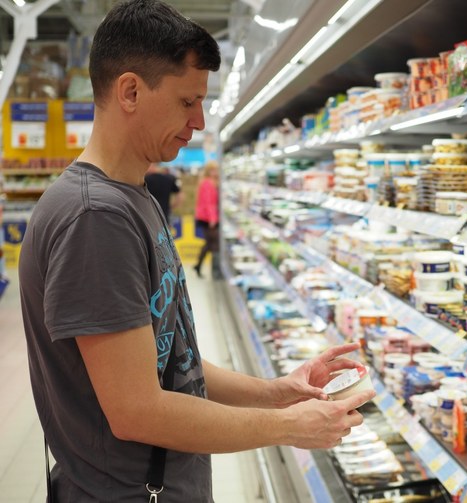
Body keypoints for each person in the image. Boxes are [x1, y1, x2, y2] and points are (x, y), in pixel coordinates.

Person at [18, 1, 374, 502]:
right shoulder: (95, 218)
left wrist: (278, 394)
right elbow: (137, 410)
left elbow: (170, 363)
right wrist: (290, 427)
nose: (201, 122)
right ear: (130, 91)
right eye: (188, 101)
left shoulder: (133, 197)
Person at [193, 161, 220, 278]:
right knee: (214, 244)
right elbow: (209, 203)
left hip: (207, 216)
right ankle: (215, 271)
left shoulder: (210, 182)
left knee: (209, 243)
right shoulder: (208, 183)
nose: (215, 172)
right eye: (212, 170)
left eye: (216, 170)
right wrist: (212, 219)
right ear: (208, 171)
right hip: (207, 218)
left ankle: (198, 266)